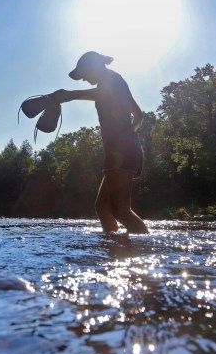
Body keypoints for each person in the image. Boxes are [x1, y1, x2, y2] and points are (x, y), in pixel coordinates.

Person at [52, 51, 149, 234]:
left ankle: (144, 249)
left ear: (93, 67)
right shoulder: (116, 81)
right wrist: (129, 138)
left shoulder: (111, 80)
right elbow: (139, 115)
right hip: (122, 150)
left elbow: (103, 93)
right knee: (103, 208)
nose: (82, 79)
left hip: (122, 151)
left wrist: (71, 95)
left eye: (83, 74)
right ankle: (113, 249)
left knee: (120, 210)